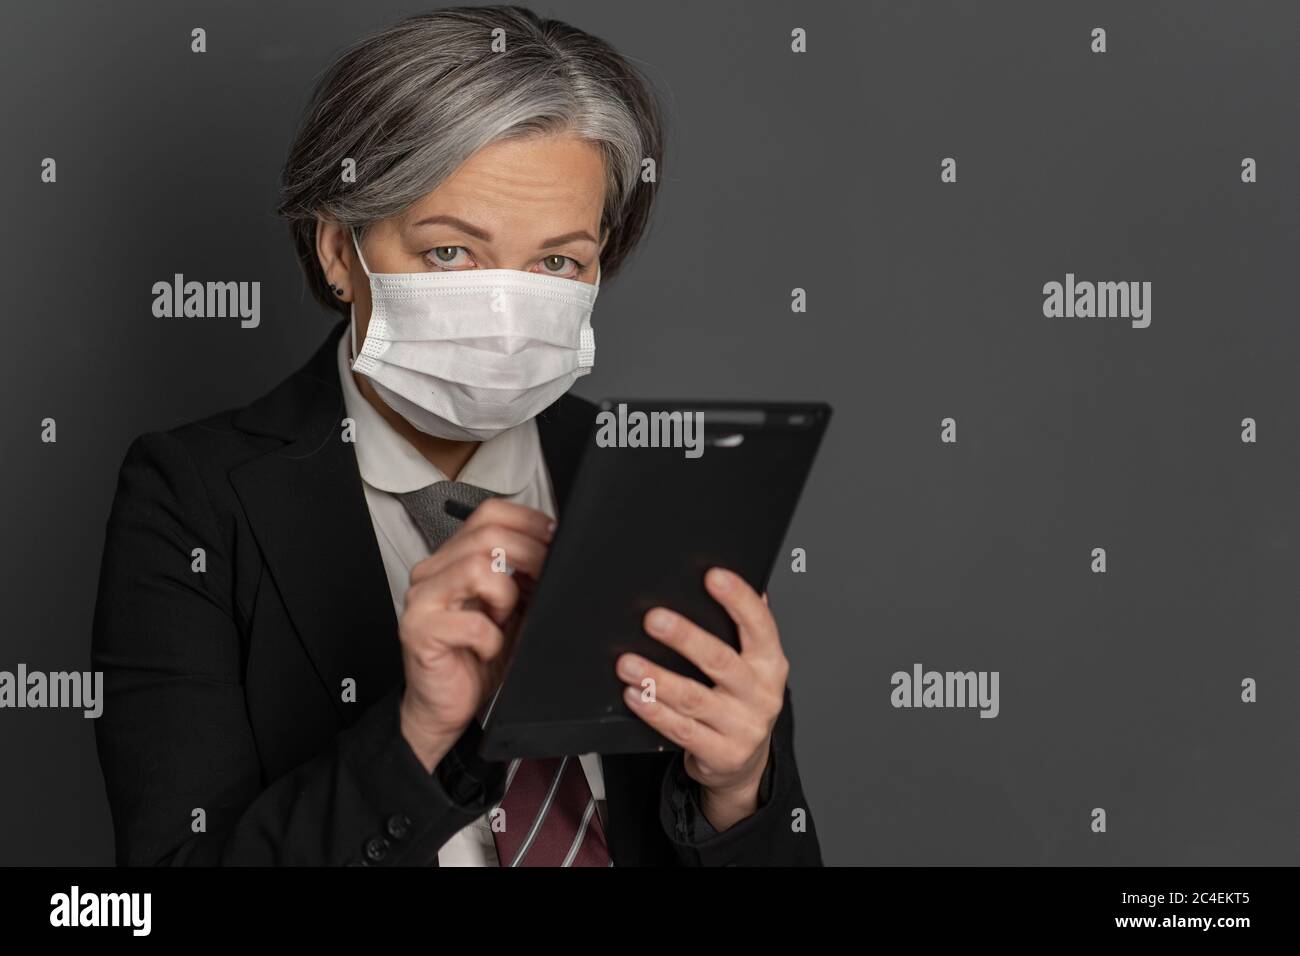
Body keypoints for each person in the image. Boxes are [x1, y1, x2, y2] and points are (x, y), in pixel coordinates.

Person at [92, 5, 821, 867]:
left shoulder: (659, 481)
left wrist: (739, 791)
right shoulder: (194, 502)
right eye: (450, 252)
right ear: (338, 250)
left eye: (556, 262)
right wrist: (416, 735)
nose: (508, 312)